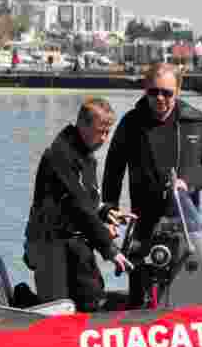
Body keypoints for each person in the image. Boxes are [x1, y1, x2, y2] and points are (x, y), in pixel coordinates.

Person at [101, 62, 202, 307]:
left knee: (186, 296)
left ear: (177, 91)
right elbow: (113, 169)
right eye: (153, 92)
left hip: (184, 229)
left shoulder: (196, 123)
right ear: (145, 89)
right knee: (139, 298)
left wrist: (187, 182)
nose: (159, 98)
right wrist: (109, 210)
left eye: (166, 93)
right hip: (143, 227)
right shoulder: (131, 123)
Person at [24, 97, 135, 312]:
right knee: (56, 307)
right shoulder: (60, 155)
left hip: (76, 241)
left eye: (107, 132)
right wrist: (110, 249)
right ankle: (23, 301)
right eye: (100, 131)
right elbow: (79, 205)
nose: (104, 138)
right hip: (50, 242)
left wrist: (106, 212)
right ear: (82, 125)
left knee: (92, 297)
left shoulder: (85, 155)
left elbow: (89, 199)